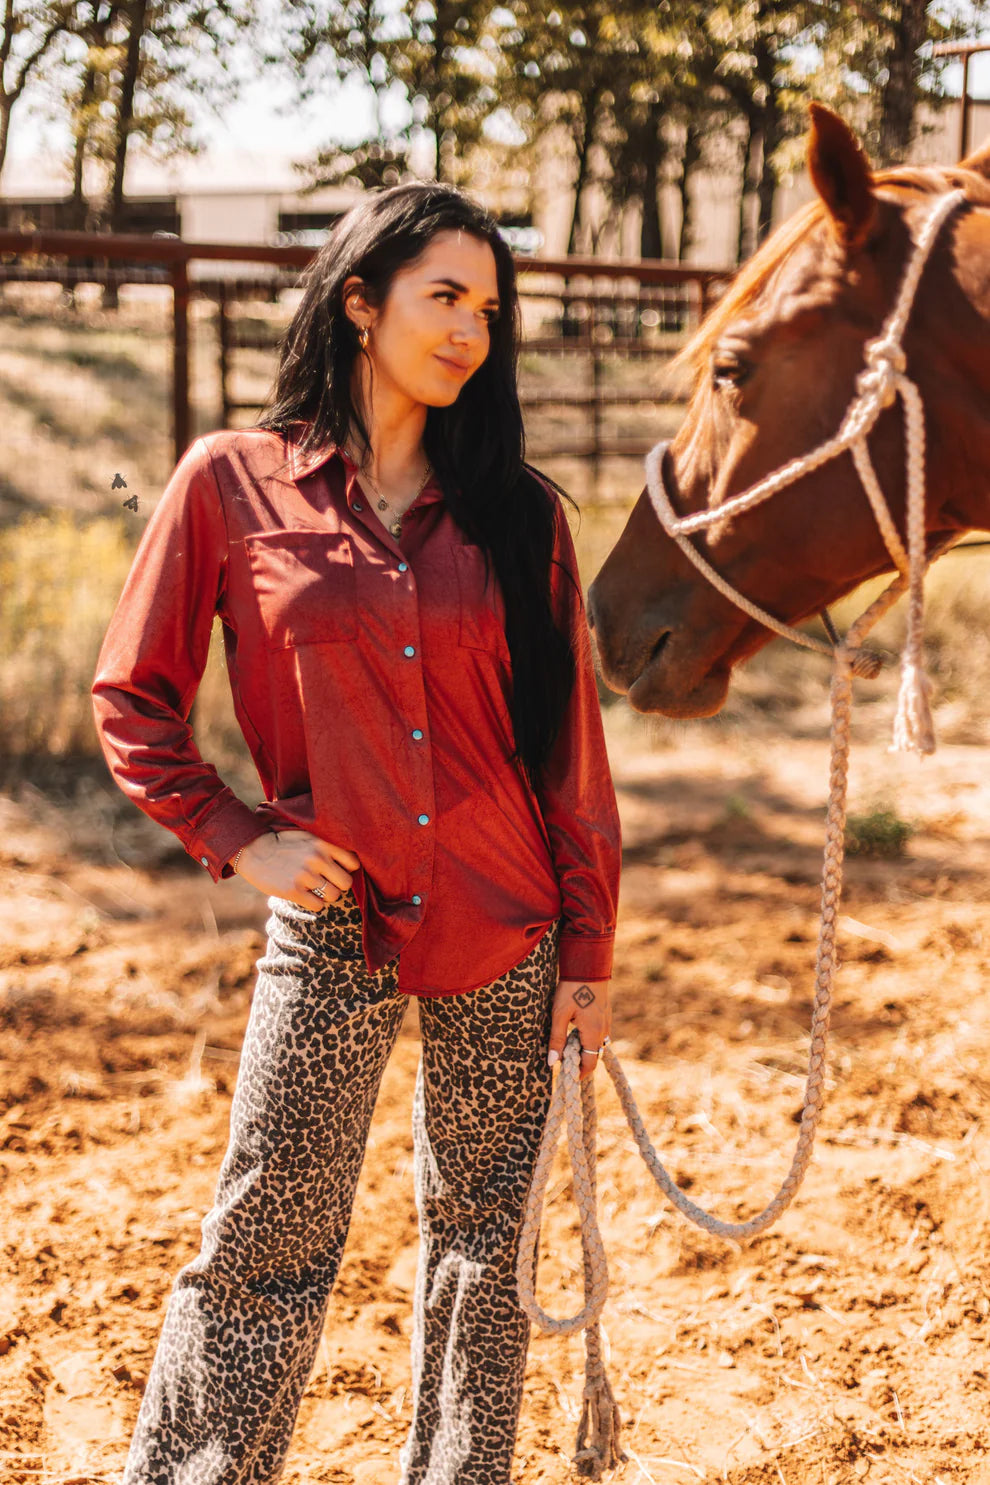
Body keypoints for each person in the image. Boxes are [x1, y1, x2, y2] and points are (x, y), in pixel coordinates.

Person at [90, 181, 621, 1485]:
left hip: (506, 916)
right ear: (360, 302)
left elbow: (567, 752)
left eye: (488, 310)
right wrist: (235, 835)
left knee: (486, 1242)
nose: (468, 333)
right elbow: (132, 695)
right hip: (330, 911)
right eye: (443, 297)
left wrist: (591, 951)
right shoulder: (230, 484)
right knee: (270, 1220)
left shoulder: (521, 516)